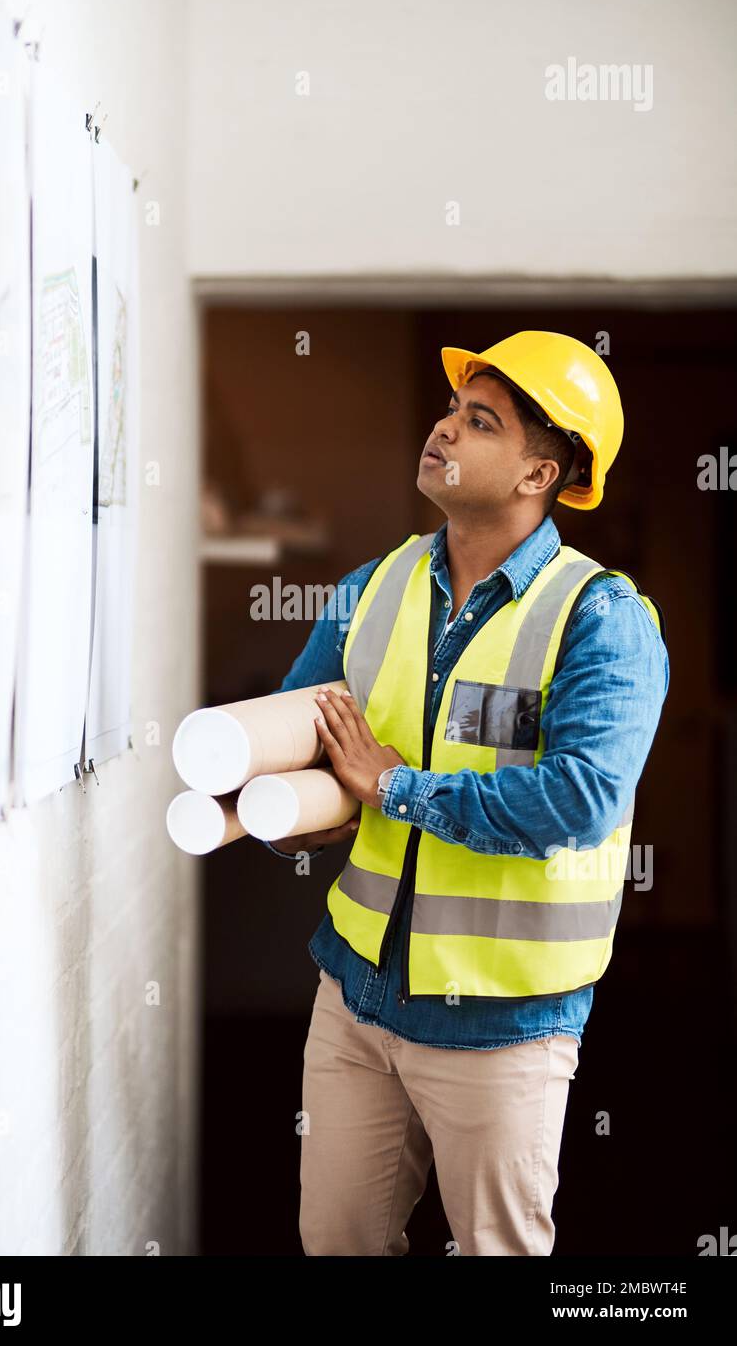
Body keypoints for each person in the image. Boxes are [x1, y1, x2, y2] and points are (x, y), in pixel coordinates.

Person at [262, 331, 669, 1256]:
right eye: (450, 410)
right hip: (355, 998)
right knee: (335, 1244)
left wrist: (396, 788)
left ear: (540, 470)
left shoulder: (602, 621)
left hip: (502, 1028)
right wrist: (277, 812)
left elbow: (580, 799)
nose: (443, 429)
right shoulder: (373, 588)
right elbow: (303, 746)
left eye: (478, 421)